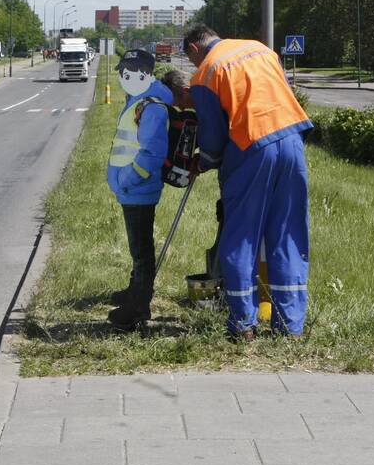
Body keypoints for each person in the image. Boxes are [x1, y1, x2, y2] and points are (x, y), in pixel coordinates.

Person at [183, 23, 312, 340]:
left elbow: (213, 138)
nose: (194, 67)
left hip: (251, 147)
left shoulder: (206, 73)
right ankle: (290, 326)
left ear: (194, 50)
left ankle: (243, 324)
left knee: (241, 235)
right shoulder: (261, 49)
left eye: (192, 61)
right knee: (288, 232)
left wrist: (205, 161)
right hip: (292, 140)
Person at [106, 49, 173, 329]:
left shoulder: (152, 106)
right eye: (124, 73)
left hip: (138, 189)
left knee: (141, 249)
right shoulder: (139, 99)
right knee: (138, 247)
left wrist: (128, 179)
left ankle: (138, 307)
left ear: (147, 74)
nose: (127, 78)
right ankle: (135, 292)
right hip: (132, 189)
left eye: (133, 73)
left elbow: (152, 153)